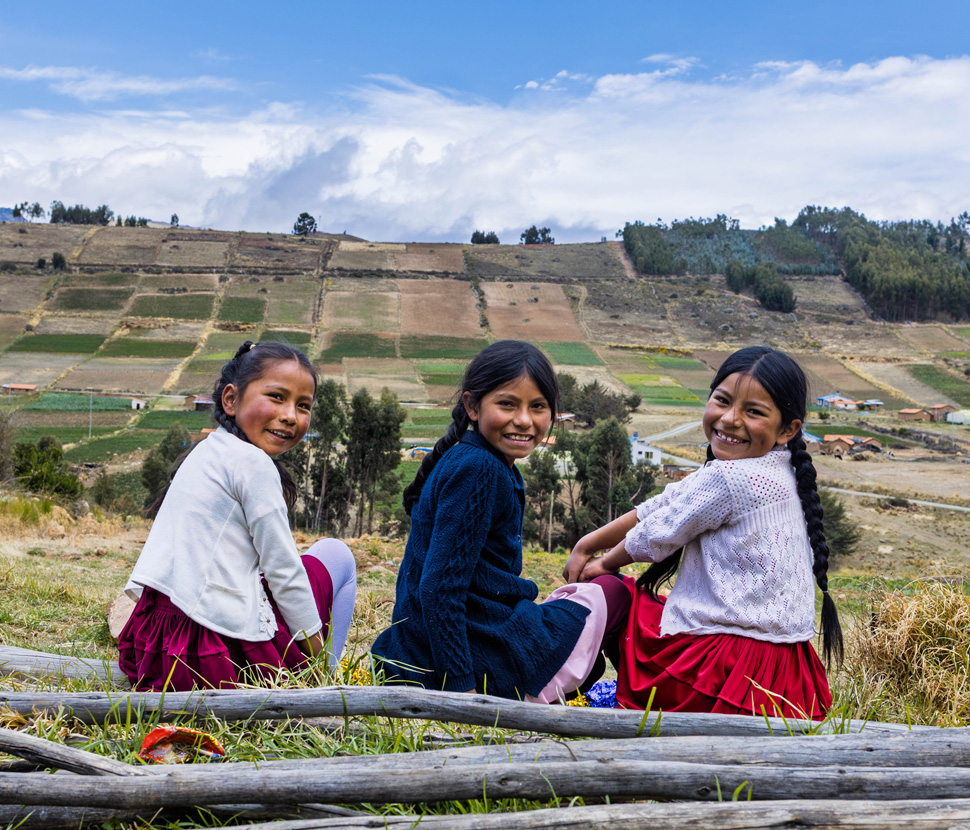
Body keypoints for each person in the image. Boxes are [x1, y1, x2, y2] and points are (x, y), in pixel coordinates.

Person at [564, 346, 841, 718]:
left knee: (612, 592)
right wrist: (588, 544)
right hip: (785, 691)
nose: (730, 419)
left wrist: (603, 565)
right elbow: (667, 503)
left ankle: (551, 686)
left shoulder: (731, 477)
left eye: (753, 411)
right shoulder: (784, 471)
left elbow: (656, 534)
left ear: (787, 429)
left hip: (716, 679)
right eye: (722, 401)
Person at [371, 340, 630, 702]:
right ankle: (631, 699)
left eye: (537, 407)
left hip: (448, 641)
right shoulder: (479, 469)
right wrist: (462, 691)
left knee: (594, 593)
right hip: (469, 658)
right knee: (615, 592)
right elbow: (439, 589)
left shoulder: (484, 461)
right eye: (507, 404)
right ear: (472, 406)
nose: (524, 420)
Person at [119, 341, 357, 691]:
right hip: (213, 657)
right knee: (336, 555)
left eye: (303, 405)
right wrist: (314, 651)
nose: (291, 415)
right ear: (230, 399)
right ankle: (328, 680)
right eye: (277, 397)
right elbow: (284, 573)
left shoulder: (206, 451)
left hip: (157, 648)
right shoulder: (253, 463)